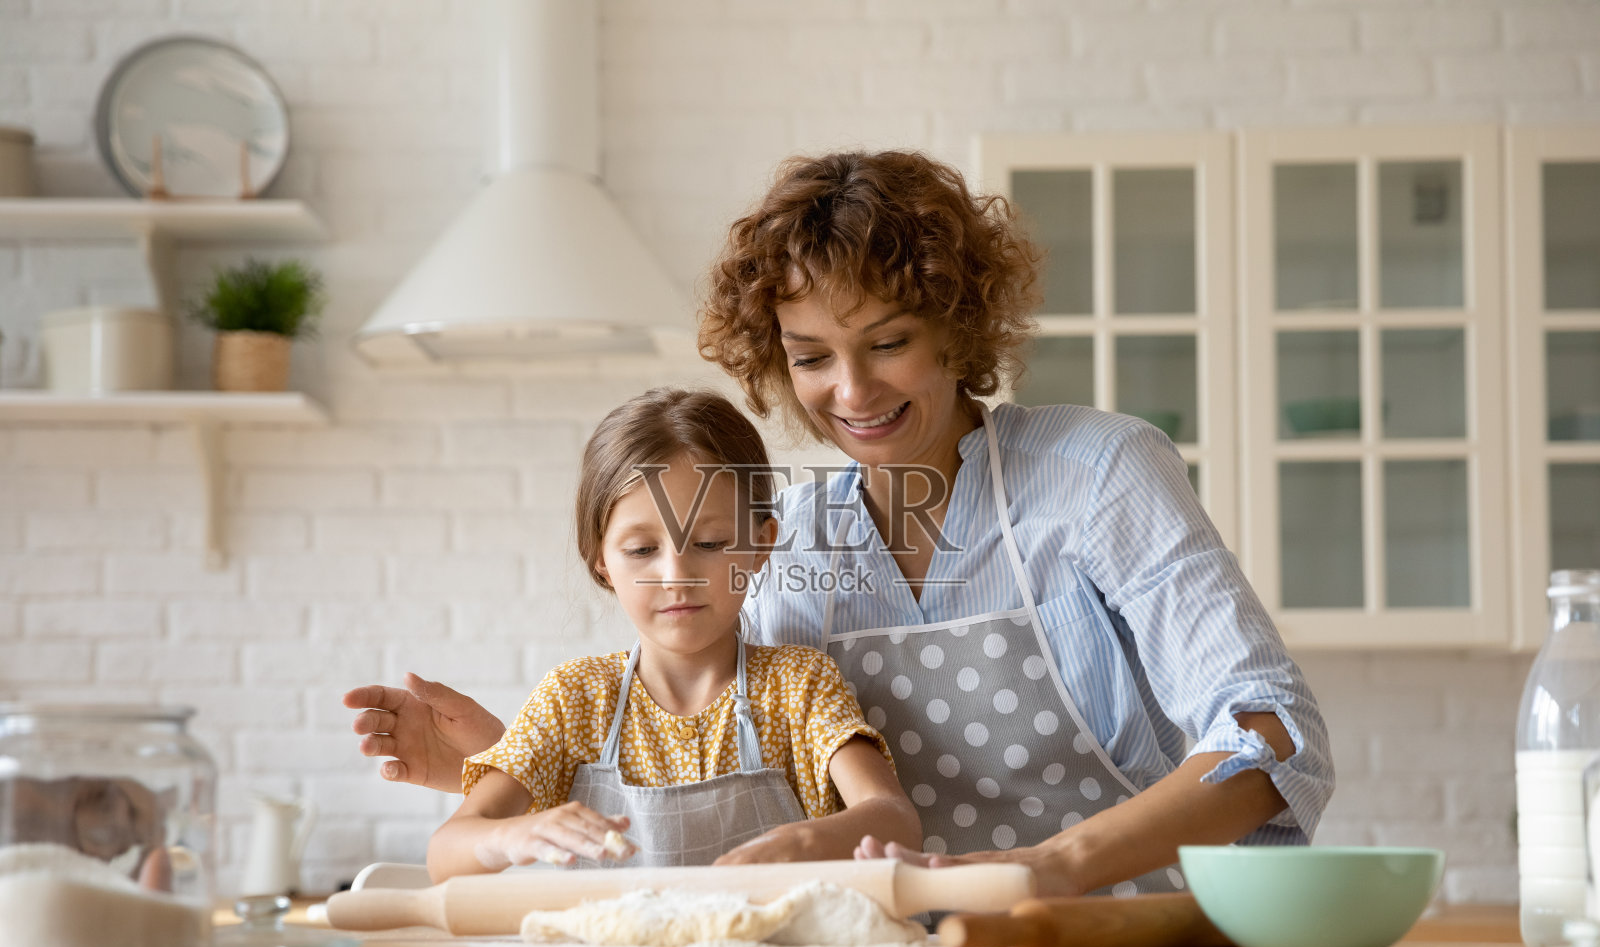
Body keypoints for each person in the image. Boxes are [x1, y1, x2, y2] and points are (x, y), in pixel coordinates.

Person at [350, 149, 1334, 897]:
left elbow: (1272, 731)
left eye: (888, 341)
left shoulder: (1093, 474)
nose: (852, 391)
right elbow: (724, 754)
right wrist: (510, 762)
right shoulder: (780, 536)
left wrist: (1050, 865)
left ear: (956, 322)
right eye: (812, 356)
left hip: (1113, 941)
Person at [411, 387, 920, 881]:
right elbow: (445, 852)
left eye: (710, 542)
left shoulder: (799, 685)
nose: (677, 576)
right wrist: (512, 835)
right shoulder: (573, 700)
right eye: (641, 550)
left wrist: (806, 843)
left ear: (761, 544)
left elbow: (895, 818)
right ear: (601, 560)